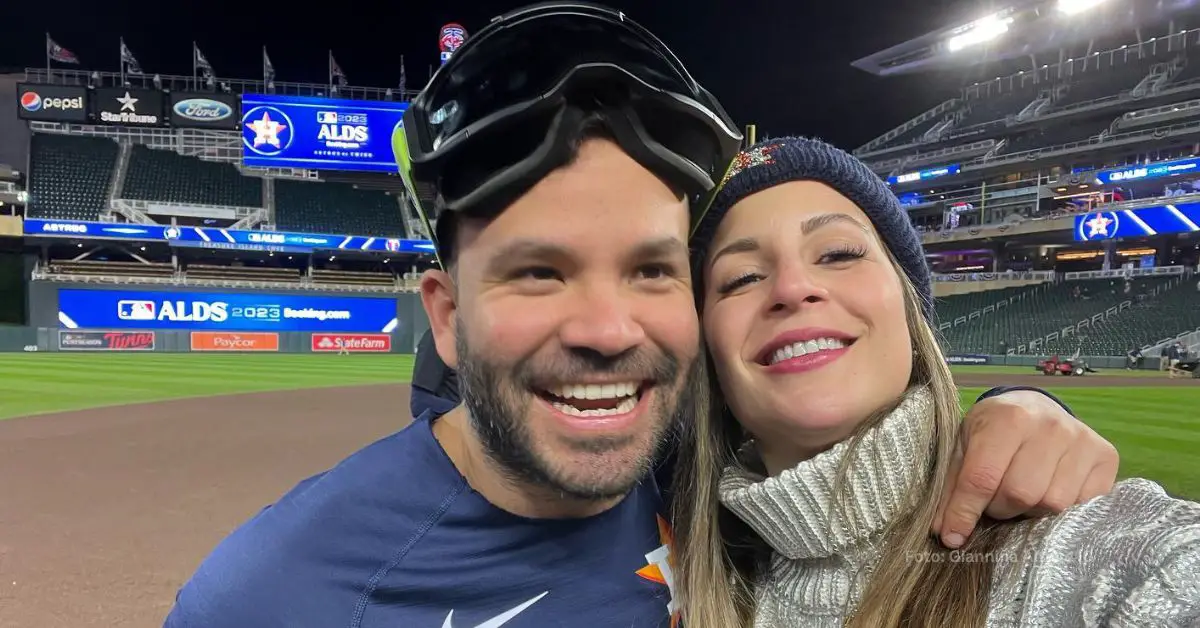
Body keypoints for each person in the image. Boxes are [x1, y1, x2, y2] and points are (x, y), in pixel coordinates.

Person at [164, 5, 1121, 626]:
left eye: (654, 271)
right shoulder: (272, 598)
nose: (608, 330)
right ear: (447, 319)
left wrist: (1025, 411)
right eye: (539, 273)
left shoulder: (709, 488)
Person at [672, 137, 1199, 627]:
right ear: (706, 348)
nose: (792, 286)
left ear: (909, 308)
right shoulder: (674, 570)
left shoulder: (1101, 553)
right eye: (740, 278)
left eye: (838, 254)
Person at [410, 327, 459, 417]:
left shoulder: (478, 340)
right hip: (452, 427)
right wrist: (466, 414)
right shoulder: (440, 338)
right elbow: (420, 402)